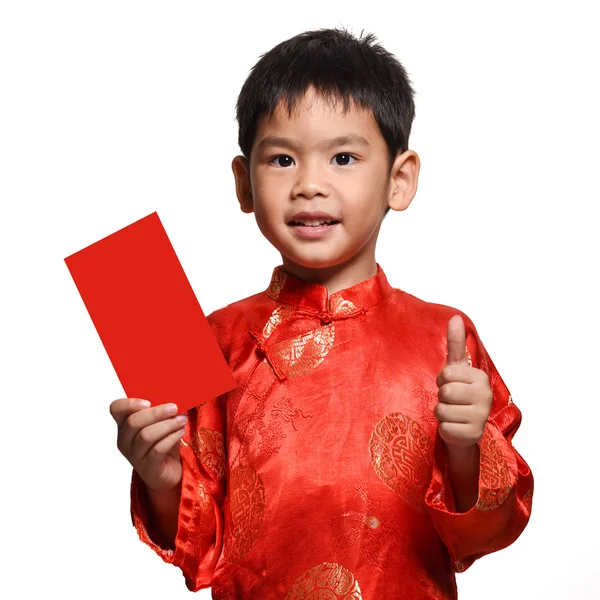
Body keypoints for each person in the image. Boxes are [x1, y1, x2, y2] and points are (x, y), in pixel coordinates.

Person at [109, 27, 533, 599]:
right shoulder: (209, 336)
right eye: (282, 158)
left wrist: (465, 447)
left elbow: (482, 535)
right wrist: (162, 479)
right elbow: (201, 552)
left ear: (399, 180)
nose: (309, 184)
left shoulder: (444, 336)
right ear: (244, 184)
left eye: (343, 157)